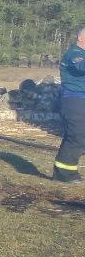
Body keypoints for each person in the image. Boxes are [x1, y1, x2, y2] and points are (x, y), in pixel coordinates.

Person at [53, 26, 85, 183]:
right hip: (74, 101)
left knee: (76, 136)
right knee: (77, 137)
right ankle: (63, 174)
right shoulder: (74, 54)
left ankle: (66, 172)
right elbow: (81, 67)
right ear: (81, 38)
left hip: (80, 100)